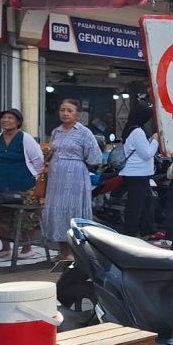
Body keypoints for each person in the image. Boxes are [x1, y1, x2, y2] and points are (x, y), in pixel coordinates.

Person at [42, 100, 103, 260]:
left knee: (72, 211)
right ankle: (64, 252)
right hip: (56, 178)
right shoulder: (56, 132)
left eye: (69, 110)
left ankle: (76, 252)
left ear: (77, 115)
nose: (65, 113)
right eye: (62, 110)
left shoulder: (84, 132)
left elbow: (95, 158)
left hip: (75, 176)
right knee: (57, 211)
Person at [0, 109, 45, 259]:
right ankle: (5, 247)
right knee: (0, 215)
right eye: (3, 118)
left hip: (24, 185)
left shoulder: (25, 139)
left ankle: (27, 249)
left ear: (18, 122)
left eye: (10, 118)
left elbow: (38, 161)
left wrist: (34, 177)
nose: (6, 120)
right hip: (1, 184)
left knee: (28, 217)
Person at [118, 104, 160, 238]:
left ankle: (146, 230)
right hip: (137, 174)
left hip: (138, 174)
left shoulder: (131, 129)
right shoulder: (137, 132)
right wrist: (155, 141)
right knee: (135, 206)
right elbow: (147, 154)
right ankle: (130, 234)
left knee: (147, 203)